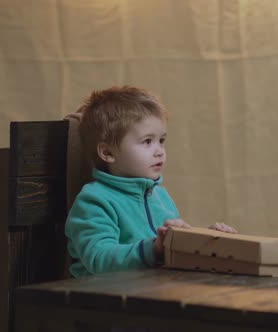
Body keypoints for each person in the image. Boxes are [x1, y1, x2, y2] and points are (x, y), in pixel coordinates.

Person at [65, 86, 236, 277]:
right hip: (102, 299)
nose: (159, 151)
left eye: (161, 140)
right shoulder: (94, 200)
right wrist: (153, 249)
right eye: (147, 141)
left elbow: (170, 250)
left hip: (152, 291)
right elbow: (99, 259)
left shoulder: (160, 196)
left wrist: (208, 243)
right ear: (108, 153)